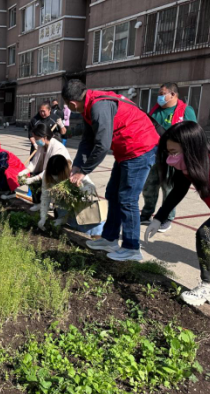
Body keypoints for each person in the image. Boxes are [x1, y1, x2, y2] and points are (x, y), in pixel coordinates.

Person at [62, 79, 160, 262]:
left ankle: (132, 248)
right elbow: (87, 141)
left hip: (139, 148)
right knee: (112, 194)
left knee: (128, 199)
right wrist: (76, 166)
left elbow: (102, 145)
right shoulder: (89, 106)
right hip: (126, 150)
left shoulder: (98, 107)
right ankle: (109, 239)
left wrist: (84, 172)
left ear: (72, 103)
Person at [145, 122, 210, 307]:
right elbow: (178, 190)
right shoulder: (190, 165)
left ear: (191, 148)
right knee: (206, 234)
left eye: (174, 152)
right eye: (169, 153)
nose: (170, 159)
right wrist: (159, 217)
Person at [141, 82, 199, 233]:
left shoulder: (186, 110)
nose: (159, 97)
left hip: (174, 155)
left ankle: (167, 217)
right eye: (159, 94)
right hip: (154, 153)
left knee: (169, 187)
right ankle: (147, 213)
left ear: (173, 94)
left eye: (162, 94)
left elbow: (192, 132)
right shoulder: (155, 110)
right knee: (149, 186)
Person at [38, 155, 101, 235]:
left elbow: (91, 187)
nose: (56, 178)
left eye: (58, 175)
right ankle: (63, 218)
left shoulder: (75, 172)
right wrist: (43, 217)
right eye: (53, 176)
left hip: (81, 210)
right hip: (62, 210)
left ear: (64, 171)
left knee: (92, 231)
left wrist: (80, 189)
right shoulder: (47, 175)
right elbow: (45, 196)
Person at [20, 123, 71, 212]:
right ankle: (39, 203)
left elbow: (50, 169)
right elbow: (34, 162)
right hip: (47, 173)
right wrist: (25, 171)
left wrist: (34, 179)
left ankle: (54, 207)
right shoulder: (42, 145)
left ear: (44, 137)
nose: (35, 141)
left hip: (59, 175)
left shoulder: (57, 148)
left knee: (37, 180)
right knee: (33, 177)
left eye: (36, 138)